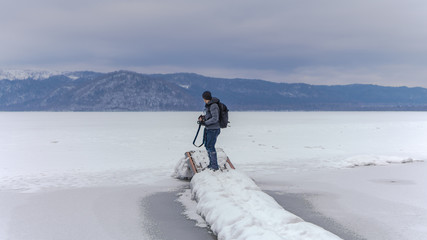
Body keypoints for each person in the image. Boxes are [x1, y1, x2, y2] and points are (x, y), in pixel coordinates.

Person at [198, 91, 221, 170]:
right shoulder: (209, 105)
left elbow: (215, 118)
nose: (203, 100)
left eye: (204, 98)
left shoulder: (213, 105)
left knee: (210, 146)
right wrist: (203, 118)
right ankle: (211, 164)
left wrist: (205, 122)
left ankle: (214, 166)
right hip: (210, 128)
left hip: (213, 129)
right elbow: (210, 116)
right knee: (208, 146)